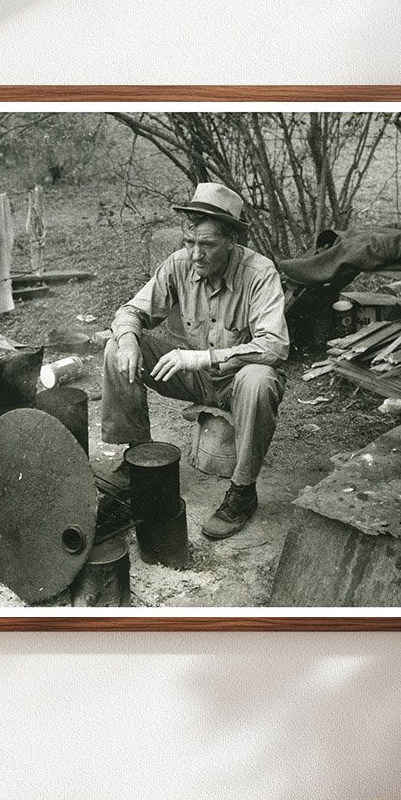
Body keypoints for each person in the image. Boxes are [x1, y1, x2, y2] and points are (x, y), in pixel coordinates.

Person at [101, 182, 289, 539]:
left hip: (237, 382)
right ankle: (139, 457)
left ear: (231, 241)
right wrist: (127, 341)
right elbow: (130, 311)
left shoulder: (259, 273)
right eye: (189, 242)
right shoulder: (179, 263)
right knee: (116, 347)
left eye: (207, 245)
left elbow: (275, 346)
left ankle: (243, 492)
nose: (196, 255)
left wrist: (203, 357)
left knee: (260, 378)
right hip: (195, 379)